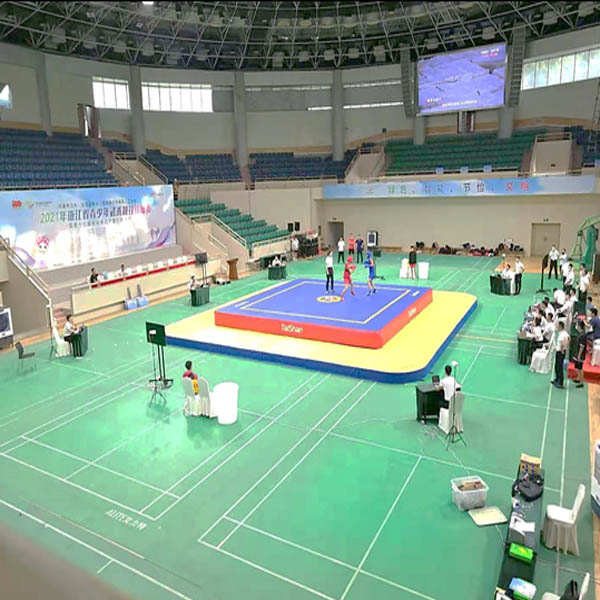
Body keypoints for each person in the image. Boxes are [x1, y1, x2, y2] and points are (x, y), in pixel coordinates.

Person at [552, 320, 570, 389]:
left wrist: (562, 349)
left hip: (560, 352)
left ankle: (560, 383)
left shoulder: (561, 335)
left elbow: (562, 343)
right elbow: (569, 338)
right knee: (557, 366)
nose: (557, 327)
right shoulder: (565, 333)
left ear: (560, 326)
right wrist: (566, 345)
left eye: (558, 326)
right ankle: (557, 379)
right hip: (562, 351)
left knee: (559, 367)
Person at [573, 320, 587, 389]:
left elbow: (582, 346)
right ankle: (578, 378)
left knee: (580, 368)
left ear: (579, 326)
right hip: (578, 353)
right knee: (578, 367)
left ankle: (581, 382)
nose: (576, 326)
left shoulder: (583, 335)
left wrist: (579, 355)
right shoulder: (580, 334)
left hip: (580, 355)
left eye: (577, 325)